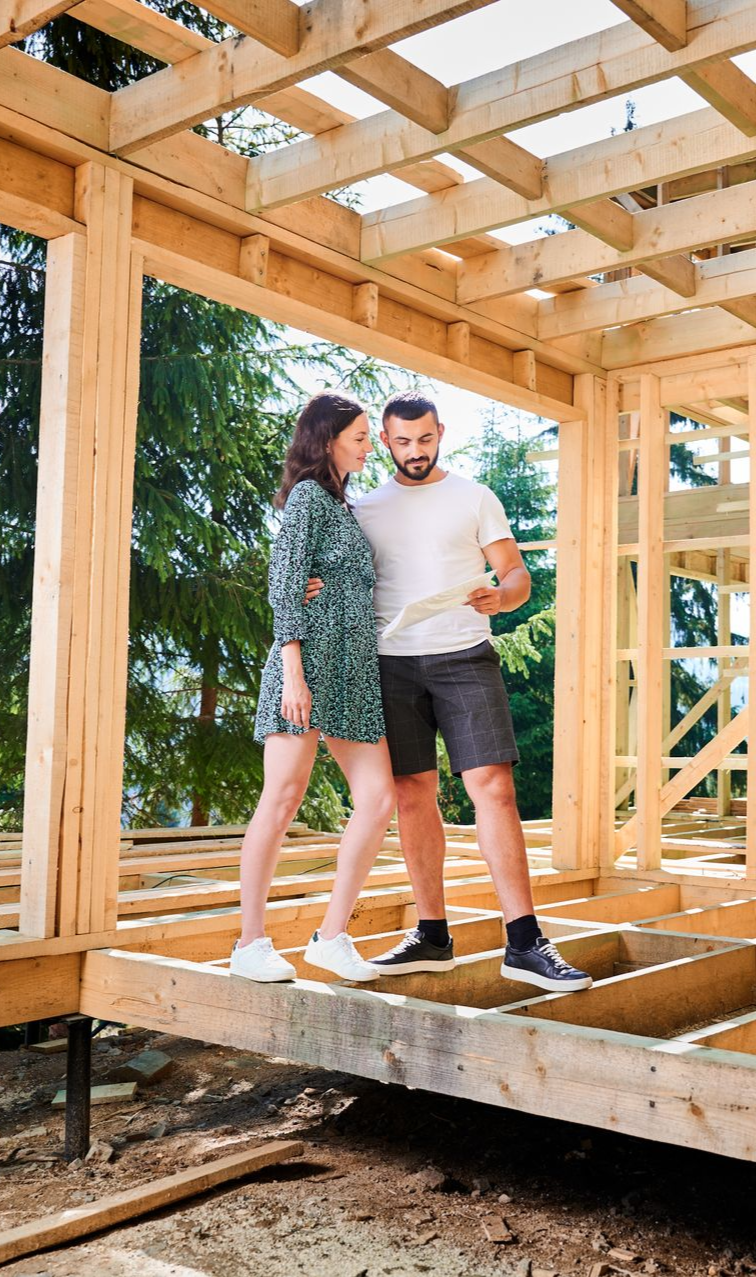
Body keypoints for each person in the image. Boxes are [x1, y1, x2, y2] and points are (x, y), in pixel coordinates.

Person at [345, 392, 591, 991]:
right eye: (402, 442)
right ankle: (432, 935)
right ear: (384, 441)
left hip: (464, 658)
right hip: (391, 664)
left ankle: (525, 941)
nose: (415, 453)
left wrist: (502, 597)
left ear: (440, 433)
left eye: (424, 440)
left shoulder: (474, 497)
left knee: (494, 788)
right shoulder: (364, 507)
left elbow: (517, 576)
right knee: (411, 794)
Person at [230, 392, 396, 985]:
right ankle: (249, 944)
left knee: (378, 800)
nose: (368, 445)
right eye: (359, 436)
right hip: (304, 668)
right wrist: (294, 671)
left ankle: (331, 937)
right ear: (327, 440)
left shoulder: (343, 506)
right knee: (281, 799)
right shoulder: (307, 499)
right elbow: (285, 582)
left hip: (353, 669)